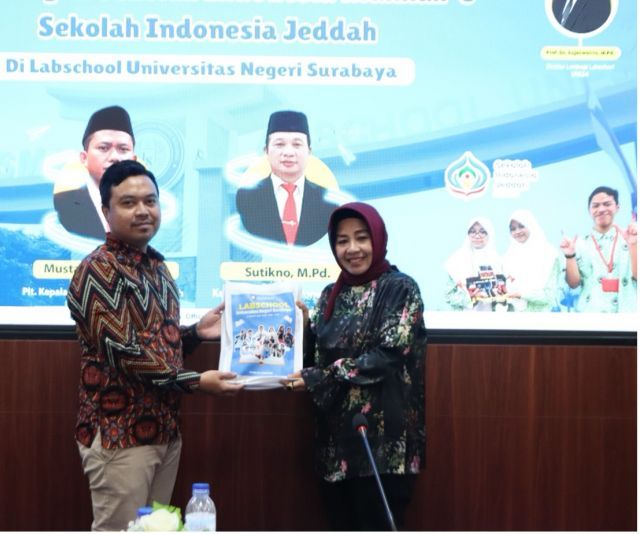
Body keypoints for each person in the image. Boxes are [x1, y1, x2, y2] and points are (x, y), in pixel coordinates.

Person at [66, 160, 244, 531]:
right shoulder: (97, 270)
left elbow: (156, 346)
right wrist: (197, 382)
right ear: (106, 212)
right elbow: (125, 353)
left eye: (151, 200)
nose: (143, 210)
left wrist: (195, 334)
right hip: (120, 435)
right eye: (129, 203)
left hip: (163, 429)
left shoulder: (158, 269)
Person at [282, 202, 426, 531]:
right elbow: (314, 361)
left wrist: (317, 377)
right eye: (342, 241)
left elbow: (387, 355)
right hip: (335, 446)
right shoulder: (331, 293)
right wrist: (302, 329)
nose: (352, 249)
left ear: (378, 239)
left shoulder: (400, 288)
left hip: (384, 446)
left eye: (361, 238)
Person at [235, 110, 339, 246]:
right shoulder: (247, 197)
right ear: (266, 151)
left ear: (309, 152)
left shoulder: (327, 200)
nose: (289, 153)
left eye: (297, 145)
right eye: (279, 144)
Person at [54, 105, 137, 240]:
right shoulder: (62, 204)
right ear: (84, 158)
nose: (114, 157)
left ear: (134, 160)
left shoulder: (147, 210)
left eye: (123, 149)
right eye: (103, 148)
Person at [561, 186, 637, 313]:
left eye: (607, 204)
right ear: (589, 210)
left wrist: (634, 245)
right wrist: (570, 255)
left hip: (627, 316)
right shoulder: (579, 244)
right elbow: (573, 284)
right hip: (591, 317)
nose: (601, 209)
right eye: (595, 206)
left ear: (617, 207)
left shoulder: (631, 238)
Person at [502, 209, 563, 312]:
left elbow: (550, 296)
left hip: (541, 318)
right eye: (513, 229)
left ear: (531, 225)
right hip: (514, 318)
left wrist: (522, 294)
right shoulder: (509, 256)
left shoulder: (549, 254)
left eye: (521, 226)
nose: (517, 231)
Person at [444, 217, 508, 311]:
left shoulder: (498, 262)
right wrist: (469, 297)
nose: (477, 236)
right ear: (468, 235)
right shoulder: (456, 261)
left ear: (489, 234)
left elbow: (506, 294)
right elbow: (448, 296)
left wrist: (502, 296)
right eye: (473, 232)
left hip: (493, 319)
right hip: (464, 318)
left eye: (482, 232)